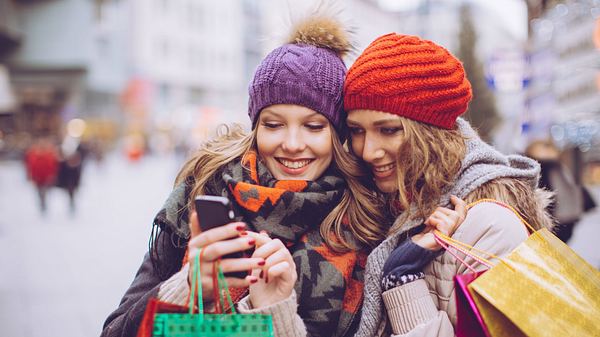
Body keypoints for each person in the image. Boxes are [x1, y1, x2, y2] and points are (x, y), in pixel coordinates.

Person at [102, 13, 388, 337]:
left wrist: (275, 312)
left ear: (338, 134)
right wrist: (188, 287)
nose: (292, 144)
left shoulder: (368, 219)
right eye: (273, 124)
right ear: (255, 127)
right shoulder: (204, 191)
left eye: (313, 126)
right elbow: (115, 331)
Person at [341, 33, 554, 337]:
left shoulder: (490, 225)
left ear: (431, 133)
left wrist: (401, 278)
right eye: (356, 130)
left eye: (388, 130)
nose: (367, 150)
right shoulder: (374, 207)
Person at [525, 139, 597, 243]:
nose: (549, 151)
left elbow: (572, 188)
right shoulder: (544, 168)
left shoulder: (556, 167)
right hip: (558, 217)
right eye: (545, 148)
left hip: (565, 216)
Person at [24, 137, 59, 213]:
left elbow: (53, 166)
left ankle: (43, 203)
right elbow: (30, 166)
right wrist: (30, 175)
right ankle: (42, 203)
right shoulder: (33, 154)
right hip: (37, 177)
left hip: (46, 177)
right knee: (39, 192)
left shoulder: (49, 154)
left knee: (44, 191)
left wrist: (52, 175)